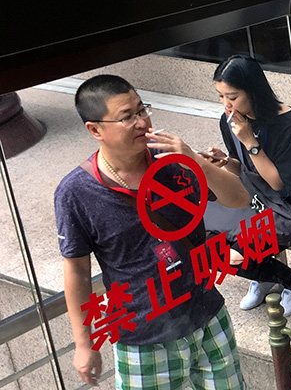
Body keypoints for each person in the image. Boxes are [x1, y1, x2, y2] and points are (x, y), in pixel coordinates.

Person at [55, 74, 248, 389]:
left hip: (207, 316)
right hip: (141, 340)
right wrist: (84, 343)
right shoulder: (75, 193)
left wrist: (194, 160)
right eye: (126, 117)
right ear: (95, 130)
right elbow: (76, 269)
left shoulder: (170, 159)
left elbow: (238, 199)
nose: (142, 122)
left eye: (141, 109)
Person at [203, 55, 291, 317]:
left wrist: (250, 142)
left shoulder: (287, 122)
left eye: (232, 97)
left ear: (253, 91)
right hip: (255, 198)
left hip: (290, 207)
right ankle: (267, 276)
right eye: (221, 96)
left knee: (233, 253)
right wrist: (226, 162)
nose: (226, 104)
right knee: (204, 239)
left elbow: (278, 183)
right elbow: (245, 171)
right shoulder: (229, 121)